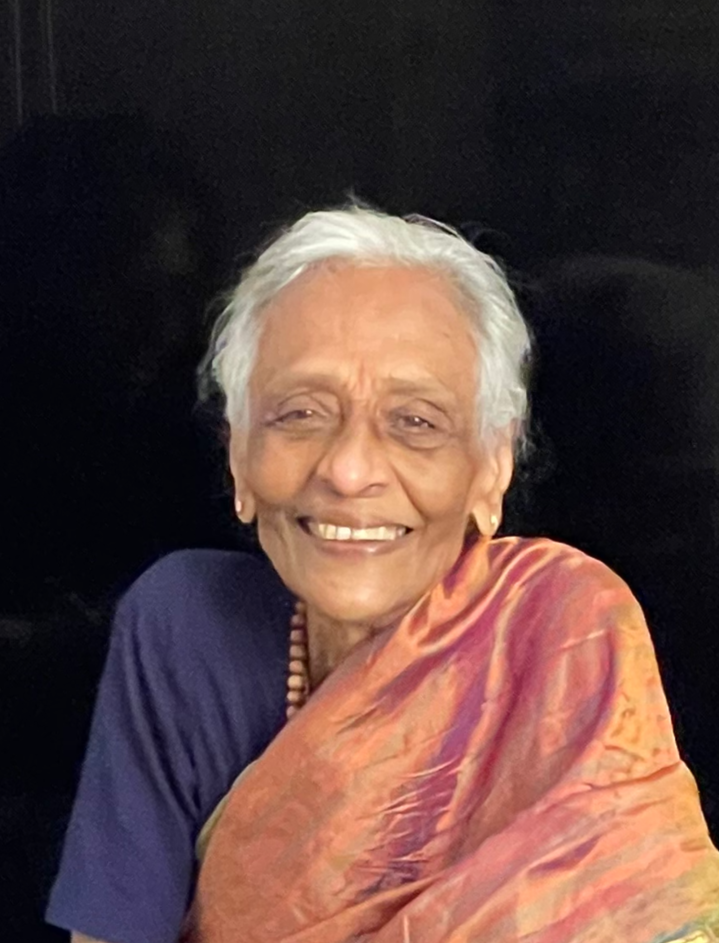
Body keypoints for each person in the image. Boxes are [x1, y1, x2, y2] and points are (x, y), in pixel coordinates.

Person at [47, 207, 719, 943]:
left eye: (415, 421)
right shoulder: (185, 624)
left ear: (490, 470)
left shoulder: (562, 631)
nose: (348, 468)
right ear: (239, 457)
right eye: (300, 413)